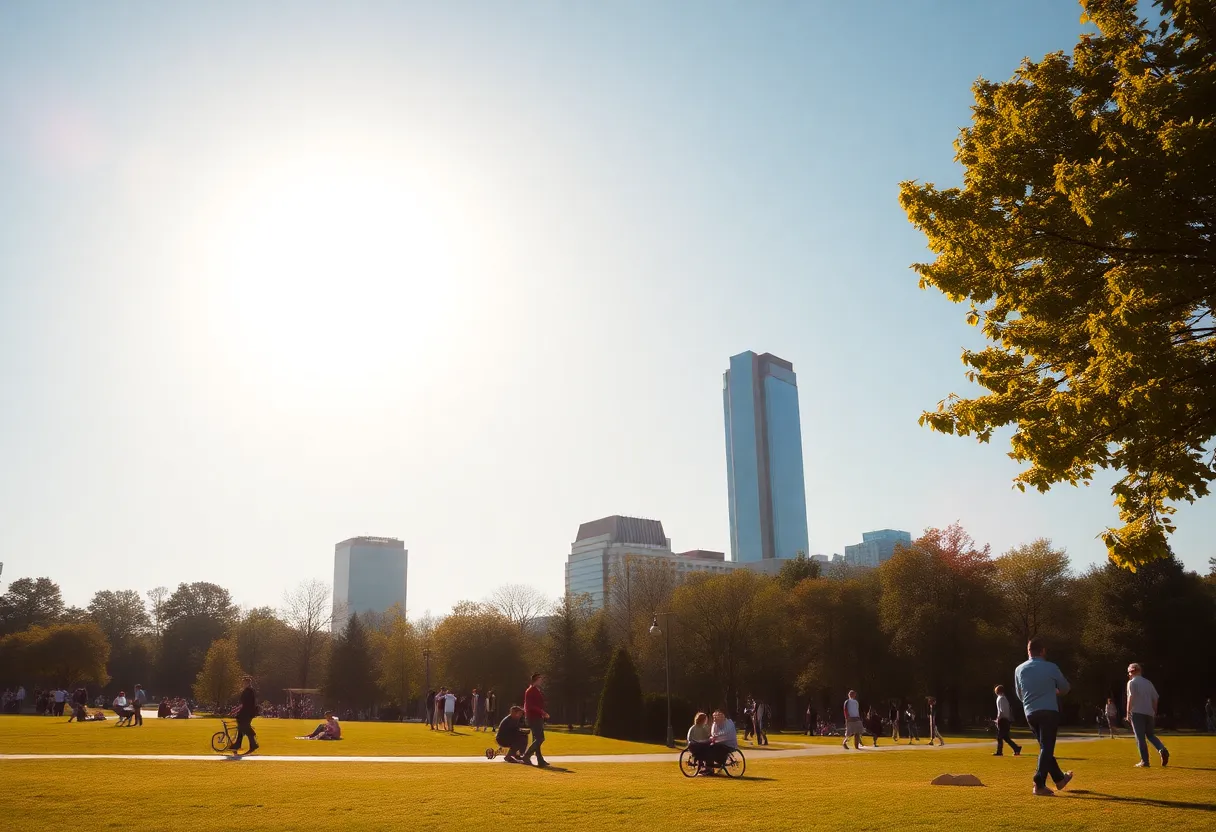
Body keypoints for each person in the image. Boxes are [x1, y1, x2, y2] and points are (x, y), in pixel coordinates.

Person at [1014, 637, 1074, 797]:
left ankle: (1059, 779)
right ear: (1043, 651)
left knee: (1044, 748)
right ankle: (1038, 783)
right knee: (1047, 747)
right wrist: (1056, 692)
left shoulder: (1019, 669)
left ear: (1028, 651)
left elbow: (1019, 694)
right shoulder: (1051, 667)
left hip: (1030, 712)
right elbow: (1065, 688)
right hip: (1048, 710)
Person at [1125, 663, 1169, 768]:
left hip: (1137, 712)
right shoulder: (1148, 683)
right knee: (1150, 735)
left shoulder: (1131, 683)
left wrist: (1127, 712)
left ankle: (1145, 761)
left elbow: (1130, 697)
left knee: (1140, 738)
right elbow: (1155, 698)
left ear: (1131, 672)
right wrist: (1154, 712)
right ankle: (1162, 749)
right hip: (1149, 713)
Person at [522, 673, 550, 767]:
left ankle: (540, 760)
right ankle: (526, 756)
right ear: (535, 680)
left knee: (536, 739)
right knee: (540, 738)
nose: (541, 681)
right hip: (534, 717)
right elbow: (530, 706)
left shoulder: (535, 690)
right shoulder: (530, 691)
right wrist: (542, 712)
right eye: (540, 679)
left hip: (536, 717)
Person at [230, 675, 259, 754]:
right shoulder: (249, 691)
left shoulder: (248, 691)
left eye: (244, 682)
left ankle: (253, 745)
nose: (243, 684)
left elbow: (244, 704)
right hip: (247, 712)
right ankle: (238, 744)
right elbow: (244, 704)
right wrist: (235, 710)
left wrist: (235, 711)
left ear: (247, 683)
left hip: (246, 713)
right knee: (241, 728)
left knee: (244, 727)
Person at [706, 710, 738, 775]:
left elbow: (725, 733)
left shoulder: (729, 723)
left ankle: (711, 767)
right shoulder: (715, 724)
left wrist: (715, 737)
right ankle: (709, 768)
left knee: (712, 748)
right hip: (719, 743)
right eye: (714, 718)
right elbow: (713, 733)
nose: (714, 720)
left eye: (716, 718)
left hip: (729, 744)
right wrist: (713, 737)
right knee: (707, 747)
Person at [993, 685, 1022, 757]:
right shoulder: (1004, 698)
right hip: (1005, 719)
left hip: (1003, 720)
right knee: (1006, 737)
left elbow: (1001, 711)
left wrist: (998, 719)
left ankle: (999, 752)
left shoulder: (1000, 699)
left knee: (1000, 737)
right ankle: (1016, 748)